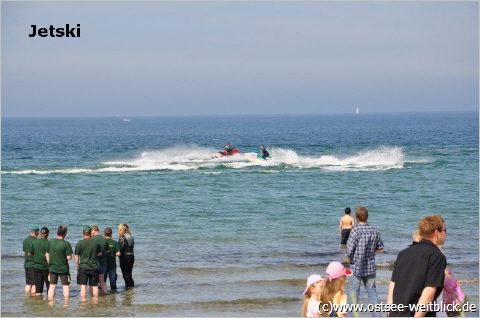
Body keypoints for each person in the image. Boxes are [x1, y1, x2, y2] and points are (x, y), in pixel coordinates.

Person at [387, 214, 447, 317]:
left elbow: (392, 286)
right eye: (444, 230)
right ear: (436, 232)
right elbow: (428, 293)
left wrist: (389, 313)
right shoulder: (436, 256)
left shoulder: (403, 254)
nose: (445, 234)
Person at [346, 206, 384, 316]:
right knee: (372, 293)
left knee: (353, 294)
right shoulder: (375, 230)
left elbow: (349, 250)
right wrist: (371, 250)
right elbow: (380, 248)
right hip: (370, 266)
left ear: (356, 218)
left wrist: (349, 257)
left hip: (356, 266)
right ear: (367, 217)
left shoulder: (355, 230)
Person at [75, 226, 102, 298]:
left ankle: (83, 302)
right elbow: (100, 253)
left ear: (83, 233)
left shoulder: (80, 243)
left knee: (83, 286)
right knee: (94, 286)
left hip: (83, 267)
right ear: (90, 233)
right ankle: (95, 301)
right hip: (94, 266)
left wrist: (77, 266)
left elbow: (76, 257)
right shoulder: (96, 243)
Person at [46, 225, 73, 299]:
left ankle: (50, 302)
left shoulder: (51, 241)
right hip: (63, 268)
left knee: (52, 286)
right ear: (65, 233)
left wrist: (49, 263)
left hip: (52, 267)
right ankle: (66, 303)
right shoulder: (66, 244)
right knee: (65, 286)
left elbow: (47, 254)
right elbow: (69, 257)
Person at [28, 227, 50, 296]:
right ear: (48, 234)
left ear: (40, 234)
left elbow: (29, 253)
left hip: (37, 266)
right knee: (49, 287)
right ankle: (49, 304)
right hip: (47, 267)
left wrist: (37, 254)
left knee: (38, 289)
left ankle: (39, 304)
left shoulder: (34, 242)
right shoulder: (49, 243)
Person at [91, 224, 110, 294]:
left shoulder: (92, 239)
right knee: (102, 280)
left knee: (93, 282)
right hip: (103, 263)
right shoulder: (104, 239)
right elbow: (108, 251)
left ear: (93, 231)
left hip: (94, 263)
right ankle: (106, 293)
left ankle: (93, 296)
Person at [23, 226, 39, 294]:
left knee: (28, 284)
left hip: (26, 264)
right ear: (37, 233)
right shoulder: (36, 241)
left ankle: (27, 298)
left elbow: (24, 252)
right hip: (33, 264)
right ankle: (33, 300)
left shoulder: (25, 240)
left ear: (30, 231)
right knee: (34, 284)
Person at [118, 223, 135, 288]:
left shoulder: (122, 238)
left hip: (125, 257)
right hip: (131, 256)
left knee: (125, 274)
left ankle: (128, 289)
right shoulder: (131, 236)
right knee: (129, 274)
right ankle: (131, 288)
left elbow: (120, 248)